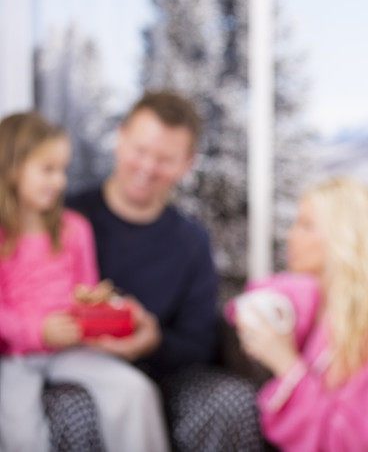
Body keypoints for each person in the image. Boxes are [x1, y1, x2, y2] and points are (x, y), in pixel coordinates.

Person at [60, 90, 264, 451]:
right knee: (69, 409)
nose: (147, 168)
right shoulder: (68, 219)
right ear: (120, 138)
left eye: (166, 159)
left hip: (166, 377)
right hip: (74, 370)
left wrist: (153, 341)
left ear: (188, 162)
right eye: (140, 150)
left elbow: (199, 343)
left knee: (230, 399)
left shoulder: (191, 241)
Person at [0, 112, 170, 452]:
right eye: (48, 170)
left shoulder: (74, 228)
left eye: (62, 170)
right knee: (19, 432)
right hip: (15, 357)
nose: (60, 182)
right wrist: (37, 332)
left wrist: (104, 312)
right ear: (13, 168)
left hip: (73, 351)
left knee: (135, 391)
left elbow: (87, 291)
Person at [233, 177, 368, 451]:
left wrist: (286, 363)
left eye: (306, 226)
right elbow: (249, 300)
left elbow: (353, 441)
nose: (290, 236)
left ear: (342, 236)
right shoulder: (322, 304)